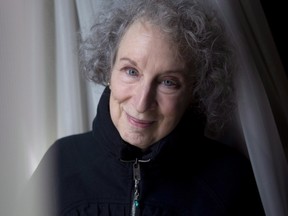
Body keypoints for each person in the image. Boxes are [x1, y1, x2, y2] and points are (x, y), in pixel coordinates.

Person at [24, 0, 265, 215]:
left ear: (195, 90)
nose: (141, 102)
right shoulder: (61, 162)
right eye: (131, 71)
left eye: (168, 82)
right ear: (109, 70)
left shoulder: (230, 179)